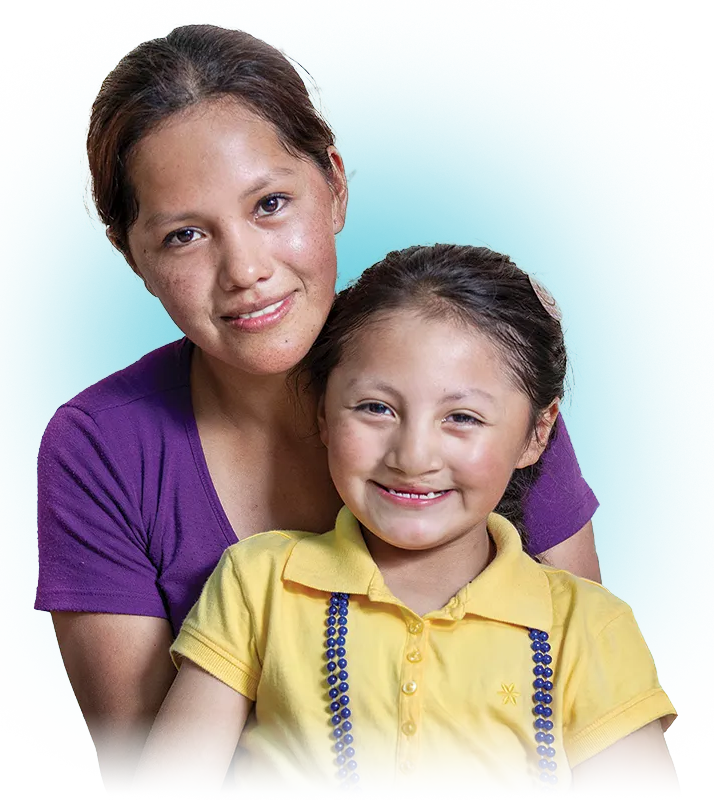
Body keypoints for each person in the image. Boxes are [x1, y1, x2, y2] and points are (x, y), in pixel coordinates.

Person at [34, 22, 600, 799]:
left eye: (270, 204)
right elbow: (145, 775)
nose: (246, 271)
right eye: (185, 235)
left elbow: (588, 700)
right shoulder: (102, 448)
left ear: (334, 183)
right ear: (133, 255)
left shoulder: (478, 380)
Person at [130, 245, 678, 798]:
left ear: (538, 433)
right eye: (376, 408)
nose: (413, 456)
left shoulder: (588, 628)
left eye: (461, 417)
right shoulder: (258, 585)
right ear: (322, 413)